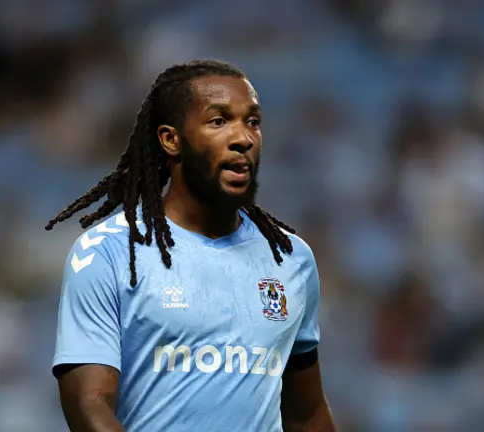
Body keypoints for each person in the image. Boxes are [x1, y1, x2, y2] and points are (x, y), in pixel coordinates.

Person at [46, 59, 335, 432]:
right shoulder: (110, 251)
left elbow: (306, 414)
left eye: (253, 121)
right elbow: (89, 404)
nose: (243, 138)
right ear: (171, 139)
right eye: (219, 121)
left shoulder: (291, 259)